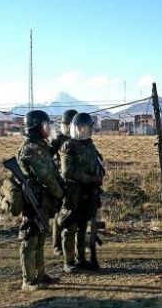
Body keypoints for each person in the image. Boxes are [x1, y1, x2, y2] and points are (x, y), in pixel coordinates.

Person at [17, 110, 64, 291]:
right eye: (45, 125)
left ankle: (40, 275)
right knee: (30, 238)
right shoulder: (29, 148)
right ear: (37, 127)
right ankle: (28, 281)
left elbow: (49, 167)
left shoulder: (39, 146)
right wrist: (60, 193)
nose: (48, 128)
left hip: (42, 200)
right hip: (32, 200)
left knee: (40, 236)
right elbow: (45, 176)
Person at [58, 112, 105, 273]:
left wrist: (99, 176)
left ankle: (81, 259)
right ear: (76, 128)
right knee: (70, 227)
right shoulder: (68, 146)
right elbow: (67, 172)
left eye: (88, 127)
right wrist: (90, 179)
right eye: (83, 128)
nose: (86, 131)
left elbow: (97, 165)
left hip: (89, 193)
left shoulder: (90, 146)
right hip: (73, 193)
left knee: (83, 226)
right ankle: (68, 262)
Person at [49, 109, 78, 256]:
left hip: (77, 181)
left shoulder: (80, 140)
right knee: (59, 214)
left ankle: (75, 245)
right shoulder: (58, 140)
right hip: (61, 181)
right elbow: (48, 157)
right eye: (66, 125)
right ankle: (57, 245)